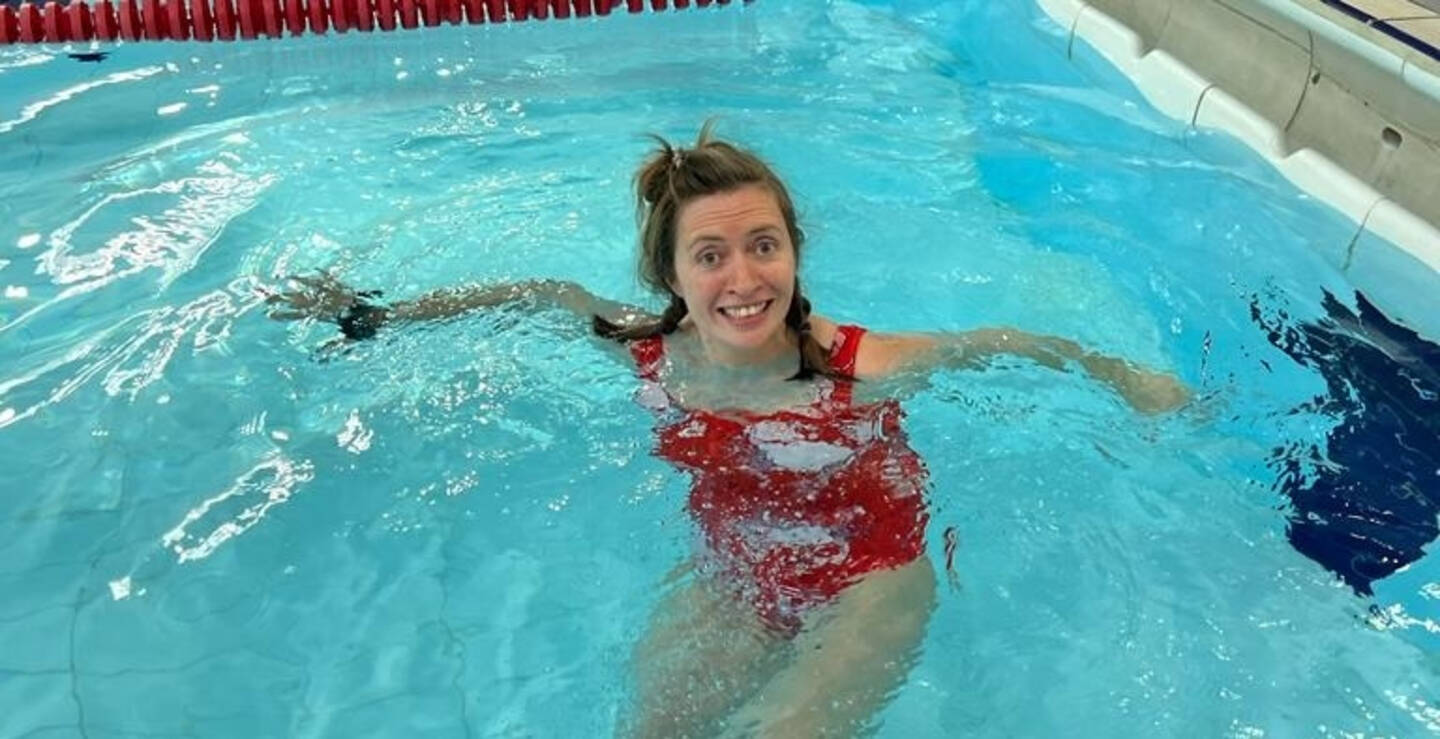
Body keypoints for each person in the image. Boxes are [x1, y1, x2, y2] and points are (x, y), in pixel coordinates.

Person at [267, 122, 1189, 737]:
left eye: (764, 245)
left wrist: (1129, 381)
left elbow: (1003, 342)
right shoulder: (646, 352)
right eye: (711, 255)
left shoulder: (856, 362)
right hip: (737, 574)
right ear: (672, 276)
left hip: (870, 581)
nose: (744, 277)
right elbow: (539, 294)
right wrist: (377, 317)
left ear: (794, 253)